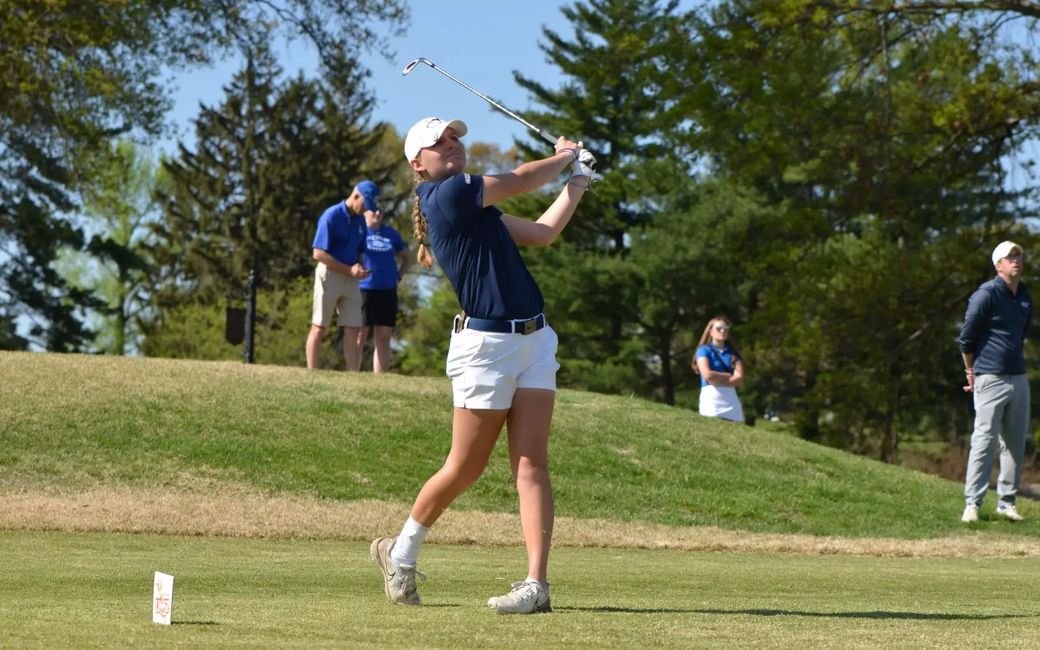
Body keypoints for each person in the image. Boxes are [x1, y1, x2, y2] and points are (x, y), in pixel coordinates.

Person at [370, 116, 594, 615]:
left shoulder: (477, 210)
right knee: (465, 467)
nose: (451, 145)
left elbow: (541, 232)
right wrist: (564, 156)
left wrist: (577, 181)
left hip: (535, 339)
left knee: (532, 464)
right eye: (439, 142)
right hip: (484, 349)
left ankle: (537, 585)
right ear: (418, 164)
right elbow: (520, 180)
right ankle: (400, 550)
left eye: (455, 139)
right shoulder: (445, 196)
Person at [958, 240, 1032, 523]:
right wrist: (970, 371)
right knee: (984, 441)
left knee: (1014, 443)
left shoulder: (1025, 296)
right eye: (1009, 256)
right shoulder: (986, 294)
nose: (1016, 260)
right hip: (989, 376)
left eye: (1019, 255)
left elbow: (1021, 332)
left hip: (1018, 377)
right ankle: (972, 504)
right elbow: (967, 336)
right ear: (997, 265)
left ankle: (1006, 503)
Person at [305, 182, 377, 371]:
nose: (366, 210)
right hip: (329, 275)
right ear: (355, 196)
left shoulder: (361, 220)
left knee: (353, 328)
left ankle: (353, 375)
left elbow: (360, 250)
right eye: (364, 204)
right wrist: (348, 269)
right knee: (319, 327)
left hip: (351, 279)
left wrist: (360, 267)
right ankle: (311, 373)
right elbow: (318, 253)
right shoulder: (331, 216)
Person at [356, 200, 410, 373]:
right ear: (365, 212)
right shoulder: (359, 232)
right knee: (359, 335)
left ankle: (380, 378)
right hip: (364, 288)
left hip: (387, 289)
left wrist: (399, 276)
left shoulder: (390, 234)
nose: (378, 213)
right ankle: (352, 373)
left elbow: (407, 256)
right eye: (374, 210)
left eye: (381, 210)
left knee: (384, 337)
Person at [693, 317, 745, 423]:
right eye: (719, 328)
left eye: (725, 328)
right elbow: (707, 375)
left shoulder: (733, 353)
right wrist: (728, 376)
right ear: (710, 331)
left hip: (731, 401)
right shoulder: (703, 350)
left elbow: (739, 380)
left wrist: (716, 379)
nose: (723, 331)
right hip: (712, 400)